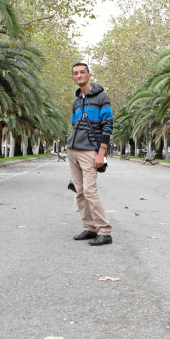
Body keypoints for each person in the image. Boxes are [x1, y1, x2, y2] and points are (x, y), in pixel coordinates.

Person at [66, 62, 113, 246]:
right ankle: (89, 228)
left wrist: (101, 152)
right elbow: (74, 125)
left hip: (89, 151)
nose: (79, 75)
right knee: (79, 192)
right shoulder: (76, 102)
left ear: (89, 75)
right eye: (75, 73)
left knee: (90, 191)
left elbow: (107, 125)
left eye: (82, 72)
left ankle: (105, 231)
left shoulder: (102, 97)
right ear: (73, 77)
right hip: (73, 150)